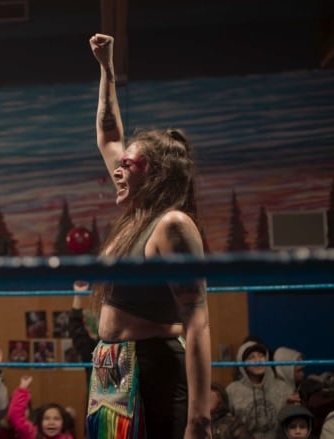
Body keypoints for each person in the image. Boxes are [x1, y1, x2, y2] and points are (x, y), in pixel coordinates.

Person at [86, 33, 211, 439]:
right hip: (112, 369)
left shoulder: (171, 224)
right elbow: (108, 136)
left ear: (155, 173)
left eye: (129, 165)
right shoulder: (137, 214)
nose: (117, 170)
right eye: (119, 164)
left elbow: (197, 322)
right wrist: (106, 70)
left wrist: (200, 418)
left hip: (155, 367)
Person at [226, 341, 294, 439]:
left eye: (261, 355)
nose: (258, 360)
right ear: (242, 363)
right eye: (251, 357)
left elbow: (291, 424)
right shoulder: (232, 390)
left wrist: (293, 407)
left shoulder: (283, 388)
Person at [7, 376, 74, 439]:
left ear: (63, 423)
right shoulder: (32, 433)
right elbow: (15, 417)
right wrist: (22, 389)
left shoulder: (67, 437)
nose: (51, 422)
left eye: (56, 419)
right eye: (46, 418)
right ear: (39, 421)